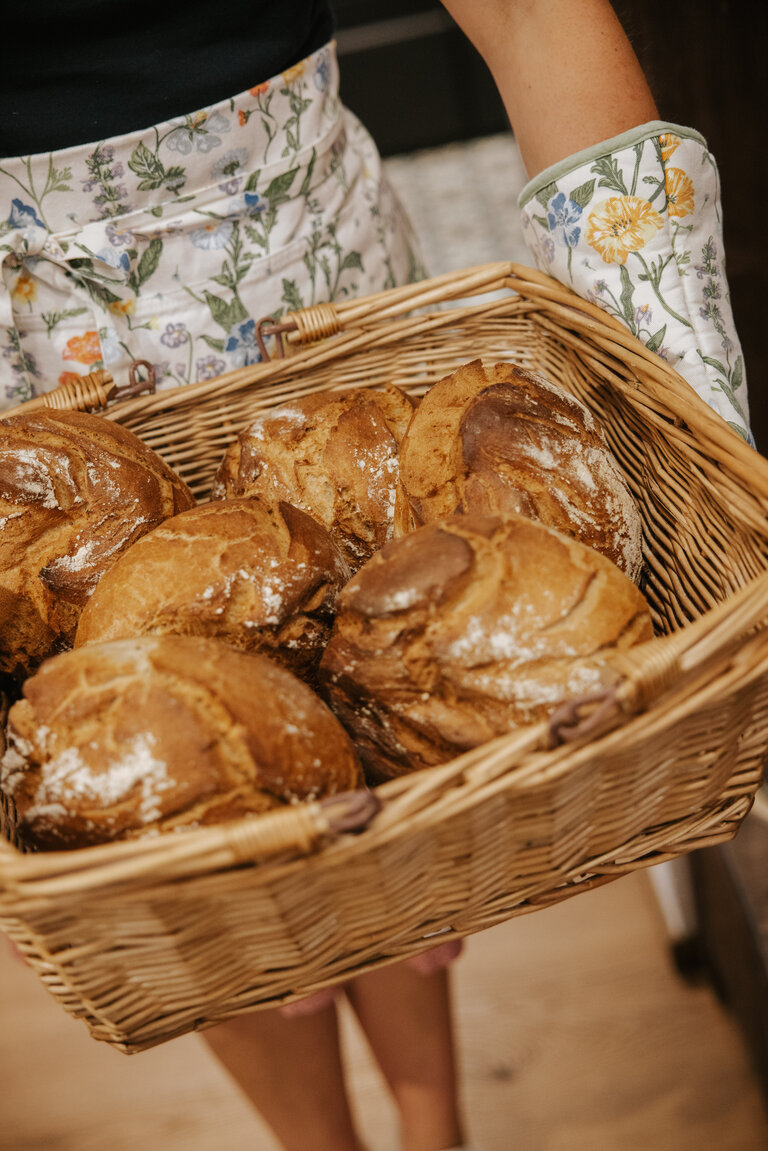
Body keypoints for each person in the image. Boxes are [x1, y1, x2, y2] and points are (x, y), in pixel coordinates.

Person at [0, 3, 752, 1151]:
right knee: (164, 813)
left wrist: (695, 428)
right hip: (37, 407)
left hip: (307, 288)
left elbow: (539, 19)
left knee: (392, 727)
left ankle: (430, 1114)